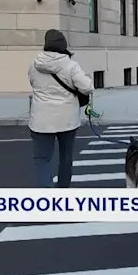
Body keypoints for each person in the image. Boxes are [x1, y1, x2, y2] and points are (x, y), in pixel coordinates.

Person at [28, 29, 94, 188]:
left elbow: (33, 83)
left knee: (42, 159)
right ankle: (62, 192)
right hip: (67, 121)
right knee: (66, 158)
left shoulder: (34, 65)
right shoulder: (71, 66)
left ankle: (48, 195)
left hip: (41, 121)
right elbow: (87, 87)